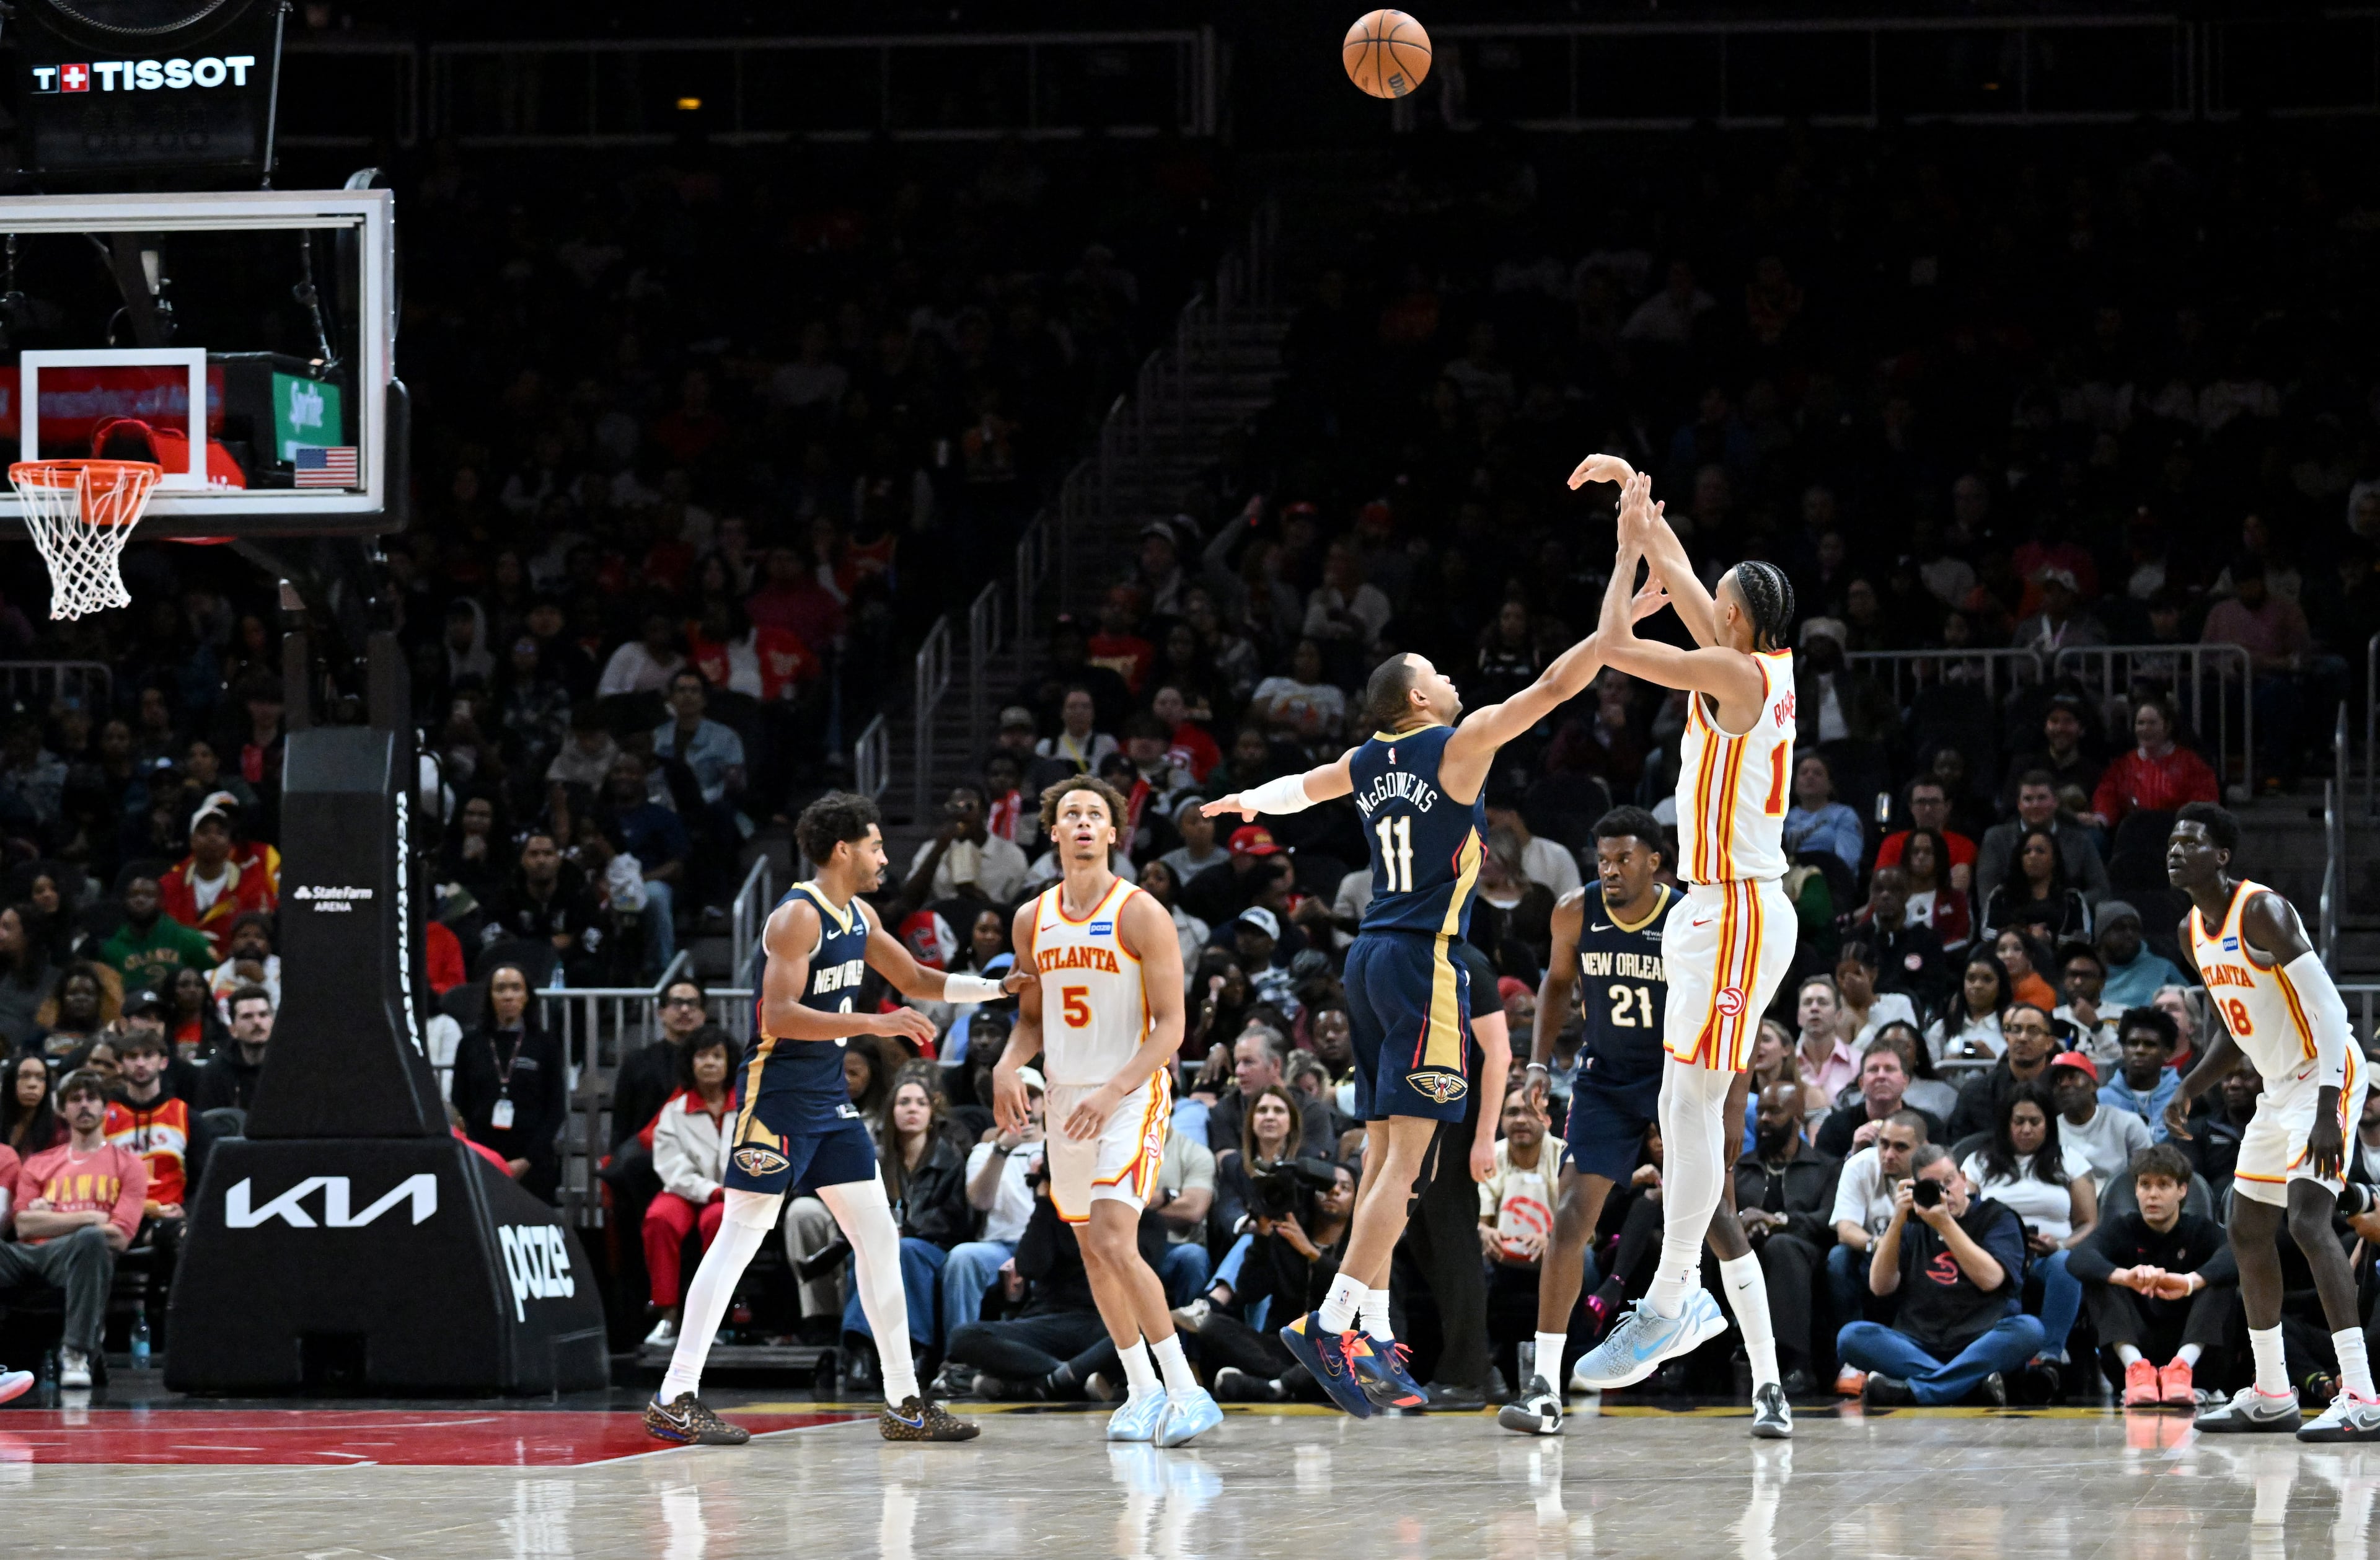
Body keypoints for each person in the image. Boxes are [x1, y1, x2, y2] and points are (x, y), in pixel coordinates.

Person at [1202, 480, 1662, 1421]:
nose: (1455, 680)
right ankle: (1333, 1319)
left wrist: (1249, 799)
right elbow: (1556, 685)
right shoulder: (1456, 744)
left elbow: (1303, 786)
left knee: (1381, 1165)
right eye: (1441, 674)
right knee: (1407, 1168)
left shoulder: (1368, 760)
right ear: (1420, 697)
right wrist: (1616, 609)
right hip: (1423, 963)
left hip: (1369, 959)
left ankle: (1363, 1317)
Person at [647, 792, 1003, 1447]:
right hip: (778, 1097)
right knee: (739, 1239)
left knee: (879, 1240)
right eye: (875, 845)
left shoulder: (860, 914)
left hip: (830, 1106)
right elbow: (777, 1016)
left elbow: (919, 978)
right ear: (843, 850)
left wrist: (997, 988)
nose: (884, 857)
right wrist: (874, 1021)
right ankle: (675, 1395)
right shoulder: (795, 918)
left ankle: (905, 1403)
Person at [1562, 456, 1800, 1437]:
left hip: (1737, 907)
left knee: (1694, 1100)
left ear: (1738, 625)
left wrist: (1625, 560)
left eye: (1718, 605)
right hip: (1717, 909)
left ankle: (1671, 1295)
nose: (1709, 610)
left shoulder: (1734, 674)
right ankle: (1676, 1296)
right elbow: (1692, 585)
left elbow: (1616, 644)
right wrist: (1640, 501)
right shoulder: (1748, 658)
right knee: (1682, 1098)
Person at [997, 777, 1218, 1447]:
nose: (1085, 823)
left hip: (1131, 1092)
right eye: (1072, 814)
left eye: (1097, 814)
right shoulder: (1032, 919)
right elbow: (1030, 1020)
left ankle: (1188, 1391)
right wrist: (1010, 1064)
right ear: (1054, 832)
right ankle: (1143, 1390)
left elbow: (1173, 1029)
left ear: (1115, 833)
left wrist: (1115, 1090)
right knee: (1092, 1249)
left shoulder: (1141, 913)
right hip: (1067, 1099)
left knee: (1119, 1238)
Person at [2160, 802, 2377, 1439]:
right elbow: (2235, 1025)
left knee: (2310, 1220)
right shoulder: (2189, 932)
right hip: (2280, 1085)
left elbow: (2334, 1013)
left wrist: (2330, 1113)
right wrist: (2190, 1088)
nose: (2174, 851)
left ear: (2222, 857)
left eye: (2190, 843)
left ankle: (2363, 1395)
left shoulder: (2263, 911)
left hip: (2327, 1072)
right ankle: (2272, 1390)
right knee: (2246, 1224)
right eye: (2172, 842)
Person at [1838, 1144, 2042, 1406]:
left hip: (1980, 1340)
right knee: (1851, 1337)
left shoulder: (1997, 1217)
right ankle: (1968, 1387)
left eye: (1950, 1181)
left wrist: (1945, 1224)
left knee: (2029, 1330)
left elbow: (1990, 1279)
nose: (1946, 1192)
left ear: (1964, 1179)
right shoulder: (1912, 1225)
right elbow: (1880, 1286)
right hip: (1918, 1342)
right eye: (1934, 1187)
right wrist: (1898, 1220)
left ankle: (1918, 1390)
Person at [1, 1070, 146, 1388]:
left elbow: (120, 1236)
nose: (84, 1106)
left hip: (80, 1257)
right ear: (61, 1110)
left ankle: (76, 1354)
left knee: (93, 1240)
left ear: (105, 1108)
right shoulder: (40, 1162)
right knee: (91, 1230)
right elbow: (23, 1226)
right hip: (29, 1254)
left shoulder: (129, 1165)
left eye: (92, 1099)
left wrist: (55, 1220)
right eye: (75, 1099)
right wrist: (90, 1216)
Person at [2068, 1142, 2235, 1408]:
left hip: (2197, 1363)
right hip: (2133, 1355)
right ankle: (2138, 1370)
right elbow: (2078, 1258)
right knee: (2100, 1279)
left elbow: (2239, 1255)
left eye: (2163, 1185)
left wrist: (2190, 1282)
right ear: (2136, 1190)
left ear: (2182, 1190)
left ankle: (2181, 1367)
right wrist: (2124, 1276)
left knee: (2219, 1281)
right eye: (2145, 1185)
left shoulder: (2200, 1230)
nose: (2152, 1195)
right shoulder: (2122, 1228)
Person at [1959, 1082, 2096, 1372]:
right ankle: (2002, 1359)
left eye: (2035, 1122)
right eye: (2018, 1121)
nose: (2026, 1129)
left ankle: (2049, 1354)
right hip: (1995, 1257)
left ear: (2048, 1124)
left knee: (2065, 1263)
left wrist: (2060, 1245)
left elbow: (2088, 1224)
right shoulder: (1978, 1162)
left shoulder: (2070, 1161)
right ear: (2006, 1124)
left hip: (2050, 1255)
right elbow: (1964, 1214)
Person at [1726, 1079, 1842, 1394]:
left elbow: (1828, 1219)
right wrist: (1741, 1222)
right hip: (1749, 1250)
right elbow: (1721, 1212)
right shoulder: (1741, 1168)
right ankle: (1697, 1361)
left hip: (1806, 1256)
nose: (1763, 1119)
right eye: (1761, 1112)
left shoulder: (1826, 1167)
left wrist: (1778, 1221)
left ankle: (1794, 1364)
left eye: (1774, 1112)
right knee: (1718, 1249)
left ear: (1798, 1117)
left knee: (1781, 1246)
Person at [640, 1024, 739, 1347]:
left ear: (730, 1064)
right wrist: (709, 1191)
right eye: (701, 1056)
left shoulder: (750, 1109)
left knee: (717, 1221)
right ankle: (667, 1317)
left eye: (717, 1056)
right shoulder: (674, 1111)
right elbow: (671, 1167)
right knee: (660, 1219)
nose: (709, 1063)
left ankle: (712, 1321)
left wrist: (728, 1191)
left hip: (733, 1195)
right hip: (686, 1192)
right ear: (690, 1064)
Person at [449, 963, 569, 1202]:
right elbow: (459, 1102)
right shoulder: (470, 1044)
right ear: (490, 996)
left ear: (526, 996)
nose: (508, 996)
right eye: (500, 989)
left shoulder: (545, 1045)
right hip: (482, 1157)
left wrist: (527, 1160)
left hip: (533, 1159)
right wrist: (485, 1156)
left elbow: (555, 1109)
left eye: (516, 988)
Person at [156, 795, 280, 961]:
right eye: (205, 832)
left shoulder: (253, 883)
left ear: (230, 843)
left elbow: (257, 935)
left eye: (220, 833)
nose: (212, 838)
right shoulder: (169, 885)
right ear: (192, 841)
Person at [1976, 772, 2110, 914]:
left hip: (2067, 920)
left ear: (2056, 802)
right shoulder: (1996, 839)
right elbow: (1987, 894)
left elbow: (2101, 890)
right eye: (2028, 799)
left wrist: (2064, 904)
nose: (2035, 805)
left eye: (2042, 798)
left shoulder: (2080, 840)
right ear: (2019, 805)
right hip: (2013, 924)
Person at [2087, 698, 2219, 831]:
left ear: (2167, 727)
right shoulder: (2123, 765)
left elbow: (2203, 801)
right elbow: (2107, 794)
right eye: (2141, 723)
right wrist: (2102, 818)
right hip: (2135, 834)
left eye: (2152, 723)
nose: (2145, 728)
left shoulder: (2191, 764)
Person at [1949, 1002, 2061, 1141]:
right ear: (2007, 1037)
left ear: (2049, 1043)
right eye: (2016, 1029)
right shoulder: (1975, 1093)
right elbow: (1959, 1148)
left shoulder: (2062, 1091)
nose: (2022, 1037)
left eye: (2033, 1030)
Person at [1815, 1042, 1942, 1157]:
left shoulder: (1929, 1126)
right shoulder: (1835, 1126)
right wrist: (1853, 1154)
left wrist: (1925, 1157)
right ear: (1861, 1084)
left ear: (1906, 1082)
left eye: (1890, 1069)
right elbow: (1822, 1178)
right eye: (1874, 1069)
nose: (1881, 1076)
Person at [97, 874, 214, 997]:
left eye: (149, 895)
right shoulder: (111, 949)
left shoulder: (190, 939)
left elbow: (215, 980)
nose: (140, 900)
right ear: (124, 902)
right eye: (133, 895)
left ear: (162, 902)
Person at [2048, 1051, 2149, 1189]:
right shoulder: (2050, 1131)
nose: (2064, 1084)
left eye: (2072, 1077)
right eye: (2058, 1080)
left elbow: (2149, 1175)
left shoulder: (2128, 1124)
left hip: (2119, 1203)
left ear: (2093, 1085)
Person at [1980, 827, 2091, 944]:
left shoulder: (2072, 898)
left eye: (2040, 851)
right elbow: (1987, 933)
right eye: (2027, 851)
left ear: (2054, 860)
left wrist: (2050, 938)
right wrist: (2024, 934)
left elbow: (2083, 939)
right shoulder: (2001, 895)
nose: (2033, 856)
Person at [2100, 1007, 2184, 1139]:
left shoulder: (2182, 1098)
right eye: (2133, 1043)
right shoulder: (2101, 1100)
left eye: (2150, 1044)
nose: (2140, 1050)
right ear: (2123, 1050)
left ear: (2168, 1053)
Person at [192, 984, 272, 1114]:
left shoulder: (288, 1066)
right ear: (233, 1029)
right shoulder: (215, 1072)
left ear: (272, 1022)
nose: (257, 1022)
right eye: (247, 1016)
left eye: (263, 1015)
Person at [2096, 900, 2187, 1009]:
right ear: (2102, 935)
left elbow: (2191, 1008)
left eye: (2135, 928)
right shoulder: (2087, 971)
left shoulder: (2163, 968)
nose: (2129, 934)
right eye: (2120, 928)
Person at [1927, 953, 2009, 1062]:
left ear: (2001, 986)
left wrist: (1992, 1059)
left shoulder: (2011, 1027)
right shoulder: (1941, 1029)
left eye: (1987, 979)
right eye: (1971, 979)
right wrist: (1961, 1057)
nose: (1977, 985)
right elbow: (1929, 1074)